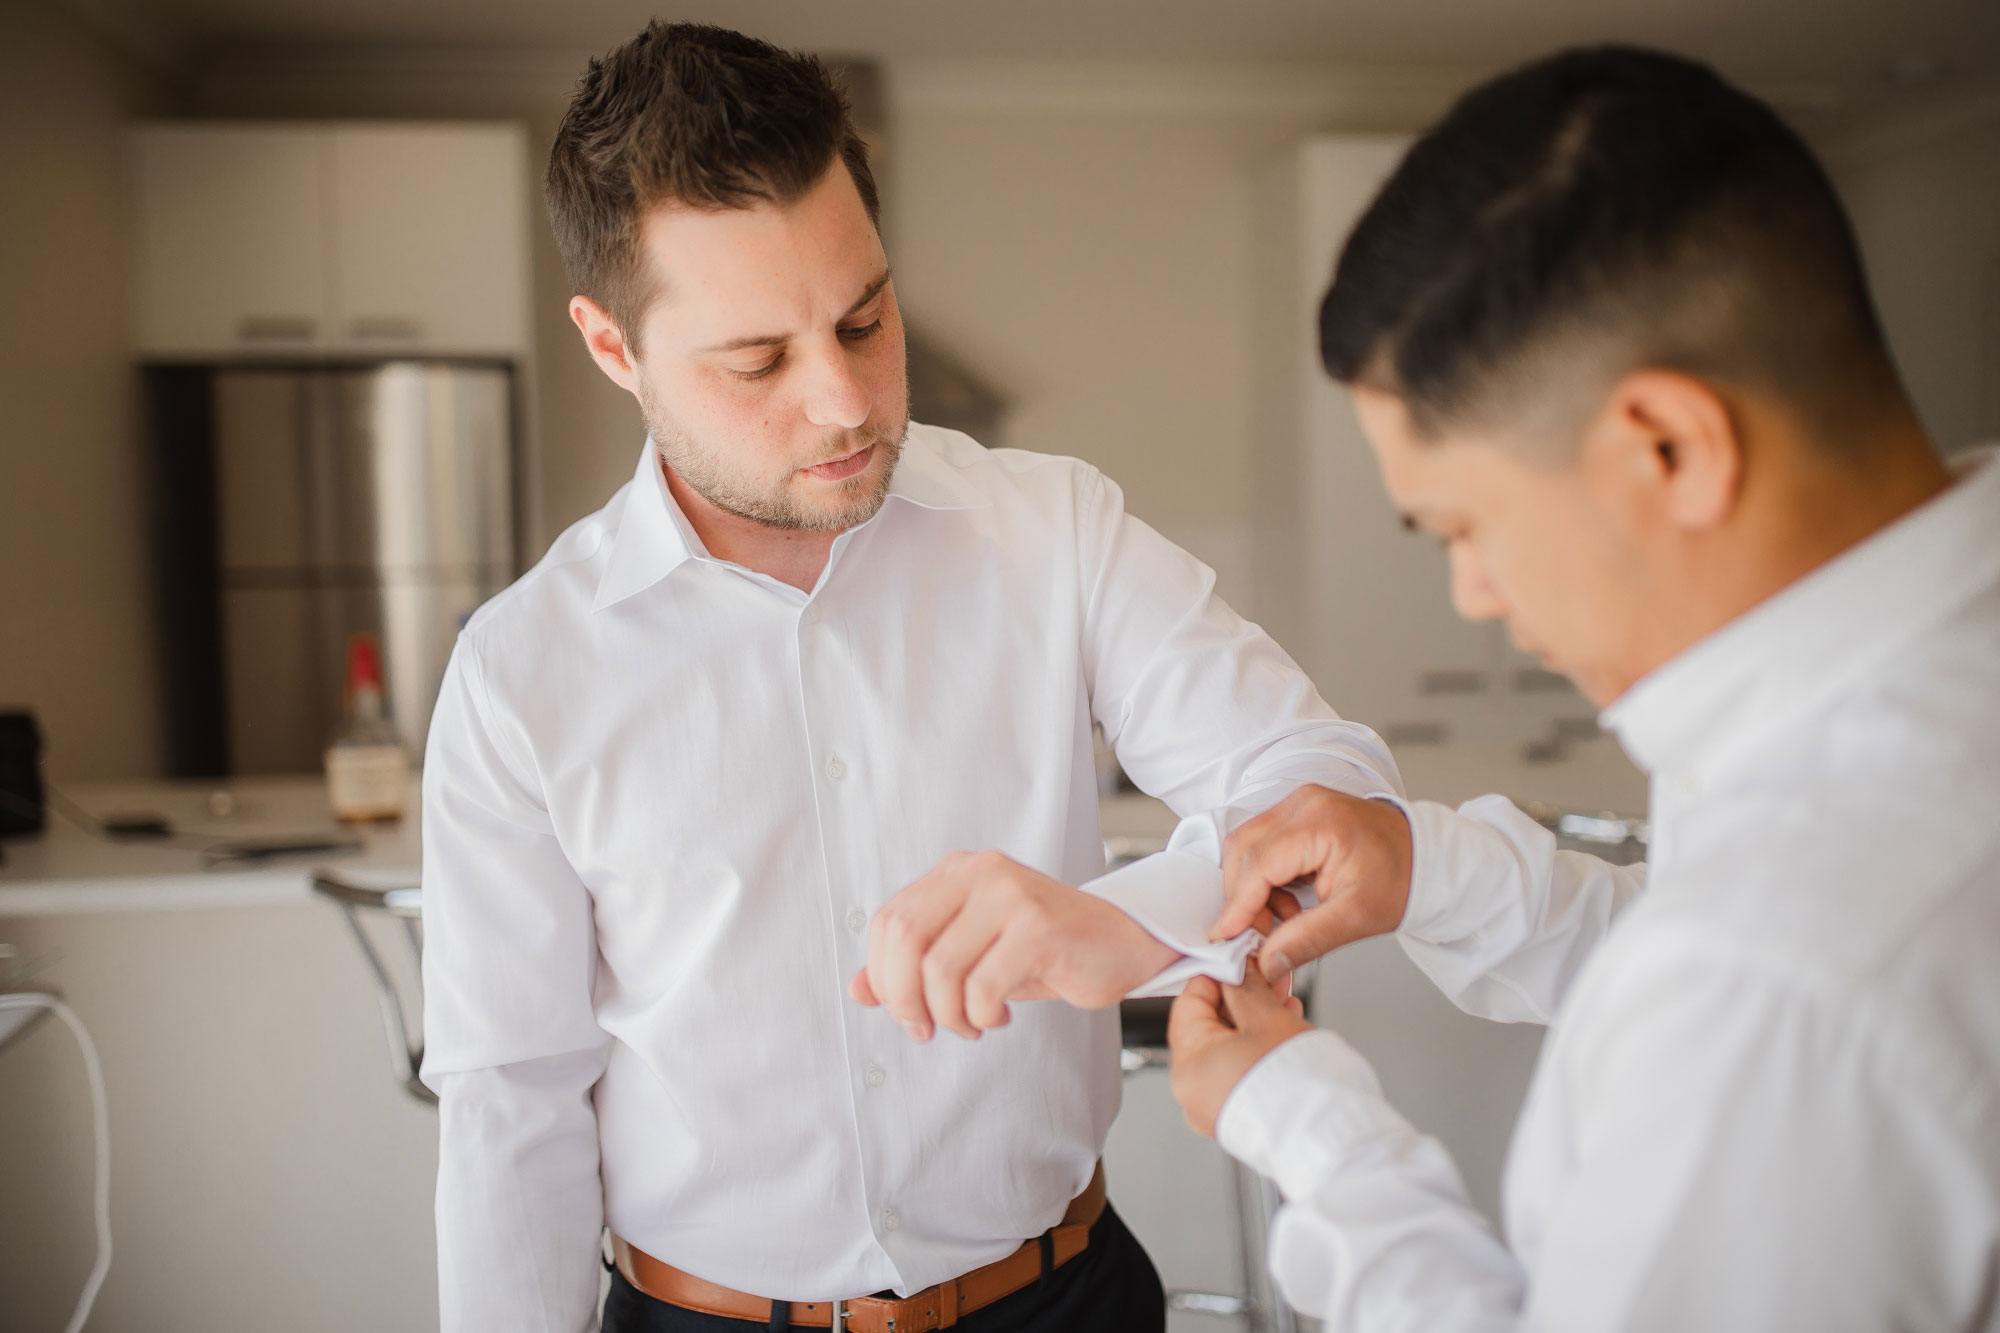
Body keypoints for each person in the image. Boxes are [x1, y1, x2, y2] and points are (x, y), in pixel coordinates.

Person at [418, 21, 1401, 1333]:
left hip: (1065, 1301)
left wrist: (1123, 917)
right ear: (613, 348)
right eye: (759, 360)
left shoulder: (1054, 531)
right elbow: (513, 1112)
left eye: (865, 317)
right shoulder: (519, 672)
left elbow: (1325, 785)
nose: (844, 400)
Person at [1165, 44, 2000, 1332]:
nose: (1475, 596)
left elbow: (1752, 991)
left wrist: (1310, 1131)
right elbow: (1693, 943)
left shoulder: (1782, 971)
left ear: (1667, 448)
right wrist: (1427, 869)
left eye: (1463, 526)